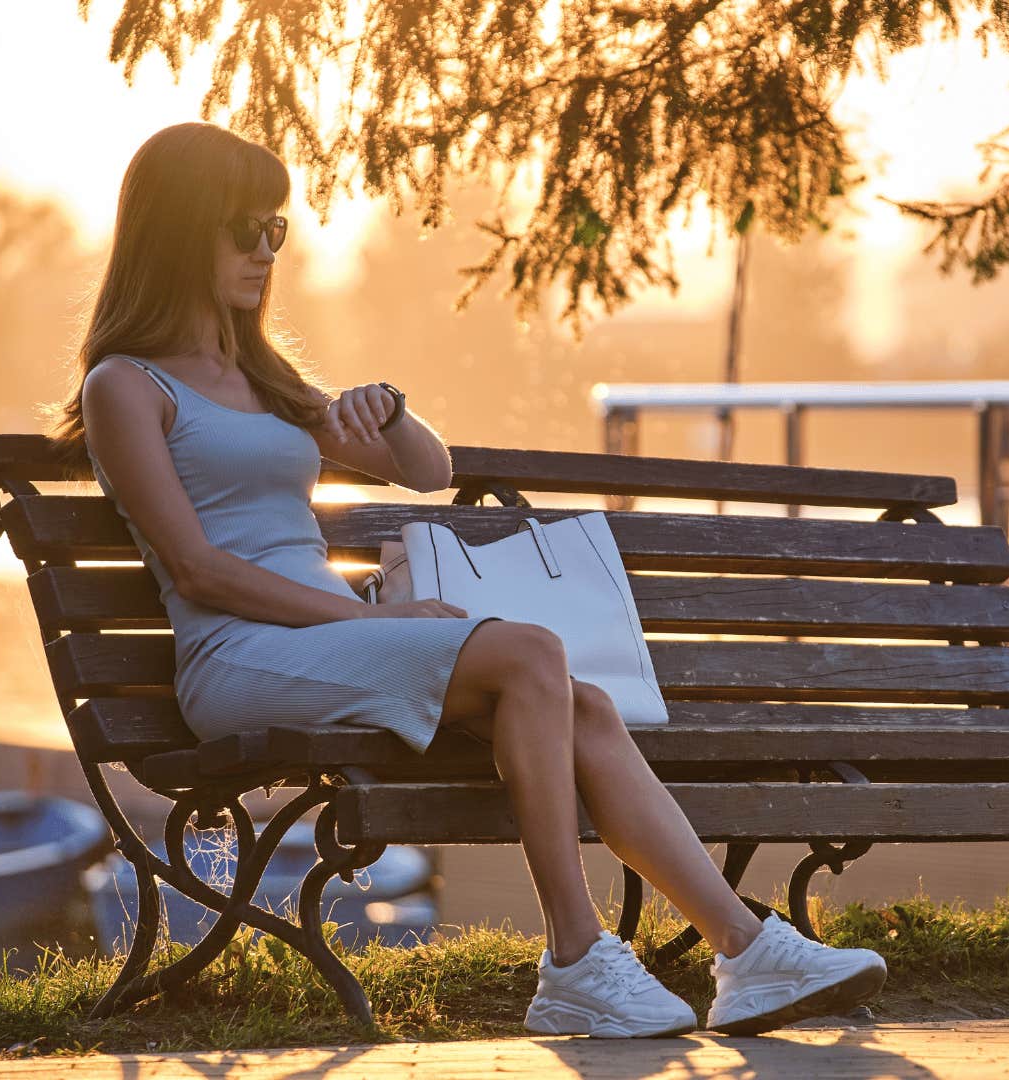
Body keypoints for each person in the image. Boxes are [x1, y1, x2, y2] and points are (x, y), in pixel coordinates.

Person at [47, 122, 886, 1036]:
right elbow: (198, 570)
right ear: (177, 232)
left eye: (275, 229)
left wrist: (389, 411)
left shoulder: (261, 377)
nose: (264, 250)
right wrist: (358, 623)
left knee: (586, 706)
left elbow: (427, 469)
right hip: (241, 662)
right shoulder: (125, 386)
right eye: (240, 228)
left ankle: (745, 951)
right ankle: (574, 957)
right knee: (531, 657)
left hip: (330, 640)